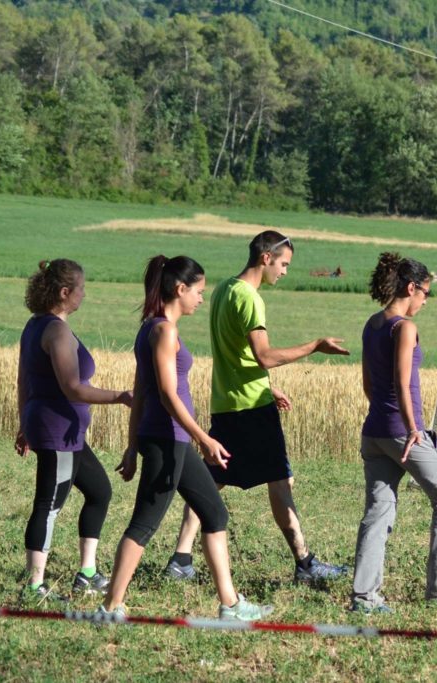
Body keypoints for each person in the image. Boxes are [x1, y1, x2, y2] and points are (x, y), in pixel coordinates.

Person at [166, 231, 349, 584]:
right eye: (283, 264)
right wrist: (314, 345)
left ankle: (181, 559)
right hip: (251, 408)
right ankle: (305, 564)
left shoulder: (222, 291)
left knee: (211, 481)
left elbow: (236, 355)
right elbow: (263, 355)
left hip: (227, 403)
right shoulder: (249, 298)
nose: (284, 272)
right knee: (280, 480)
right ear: (266, 258)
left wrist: (267, 385)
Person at [100, 256, 272, 620]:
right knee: (144, 523)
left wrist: (132, 446)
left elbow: (141, 390)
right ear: (180, 289)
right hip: (168, 439)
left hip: (168, 438)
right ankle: (110, 607)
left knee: (214, 513)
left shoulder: (150, 328)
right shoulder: (164, 331)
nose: (201, 299)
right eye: (199, 292)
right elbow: (164, 394)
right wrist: (203, 439)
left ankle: (230, 605)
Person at [350, 252, 437, 613]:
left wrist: (386, 416)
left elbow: (369, 384)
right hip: (404, 432)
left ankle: (364, 597)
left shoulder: (372, 324)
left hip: (374, 431)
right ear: (411, 288)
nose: (425, 300)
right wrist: (411, 428)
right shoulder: (404, 327)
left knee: (378, 511)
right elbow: (401, 382)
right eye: (425, 293)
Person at [16, 259, 131, 603]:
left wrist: (24, 422)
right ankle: (34, 587)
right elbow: (72, 388)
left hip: (63, 430)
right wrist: (122, 396)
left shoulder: (36, 325)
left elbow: (24, 380)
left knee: (99, 492)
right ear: (65, 292)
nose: (84, 293)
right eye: (81, 288)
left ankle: (88, 573)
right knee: (49, 505)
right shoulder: (57, 331)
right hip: (58, 430)